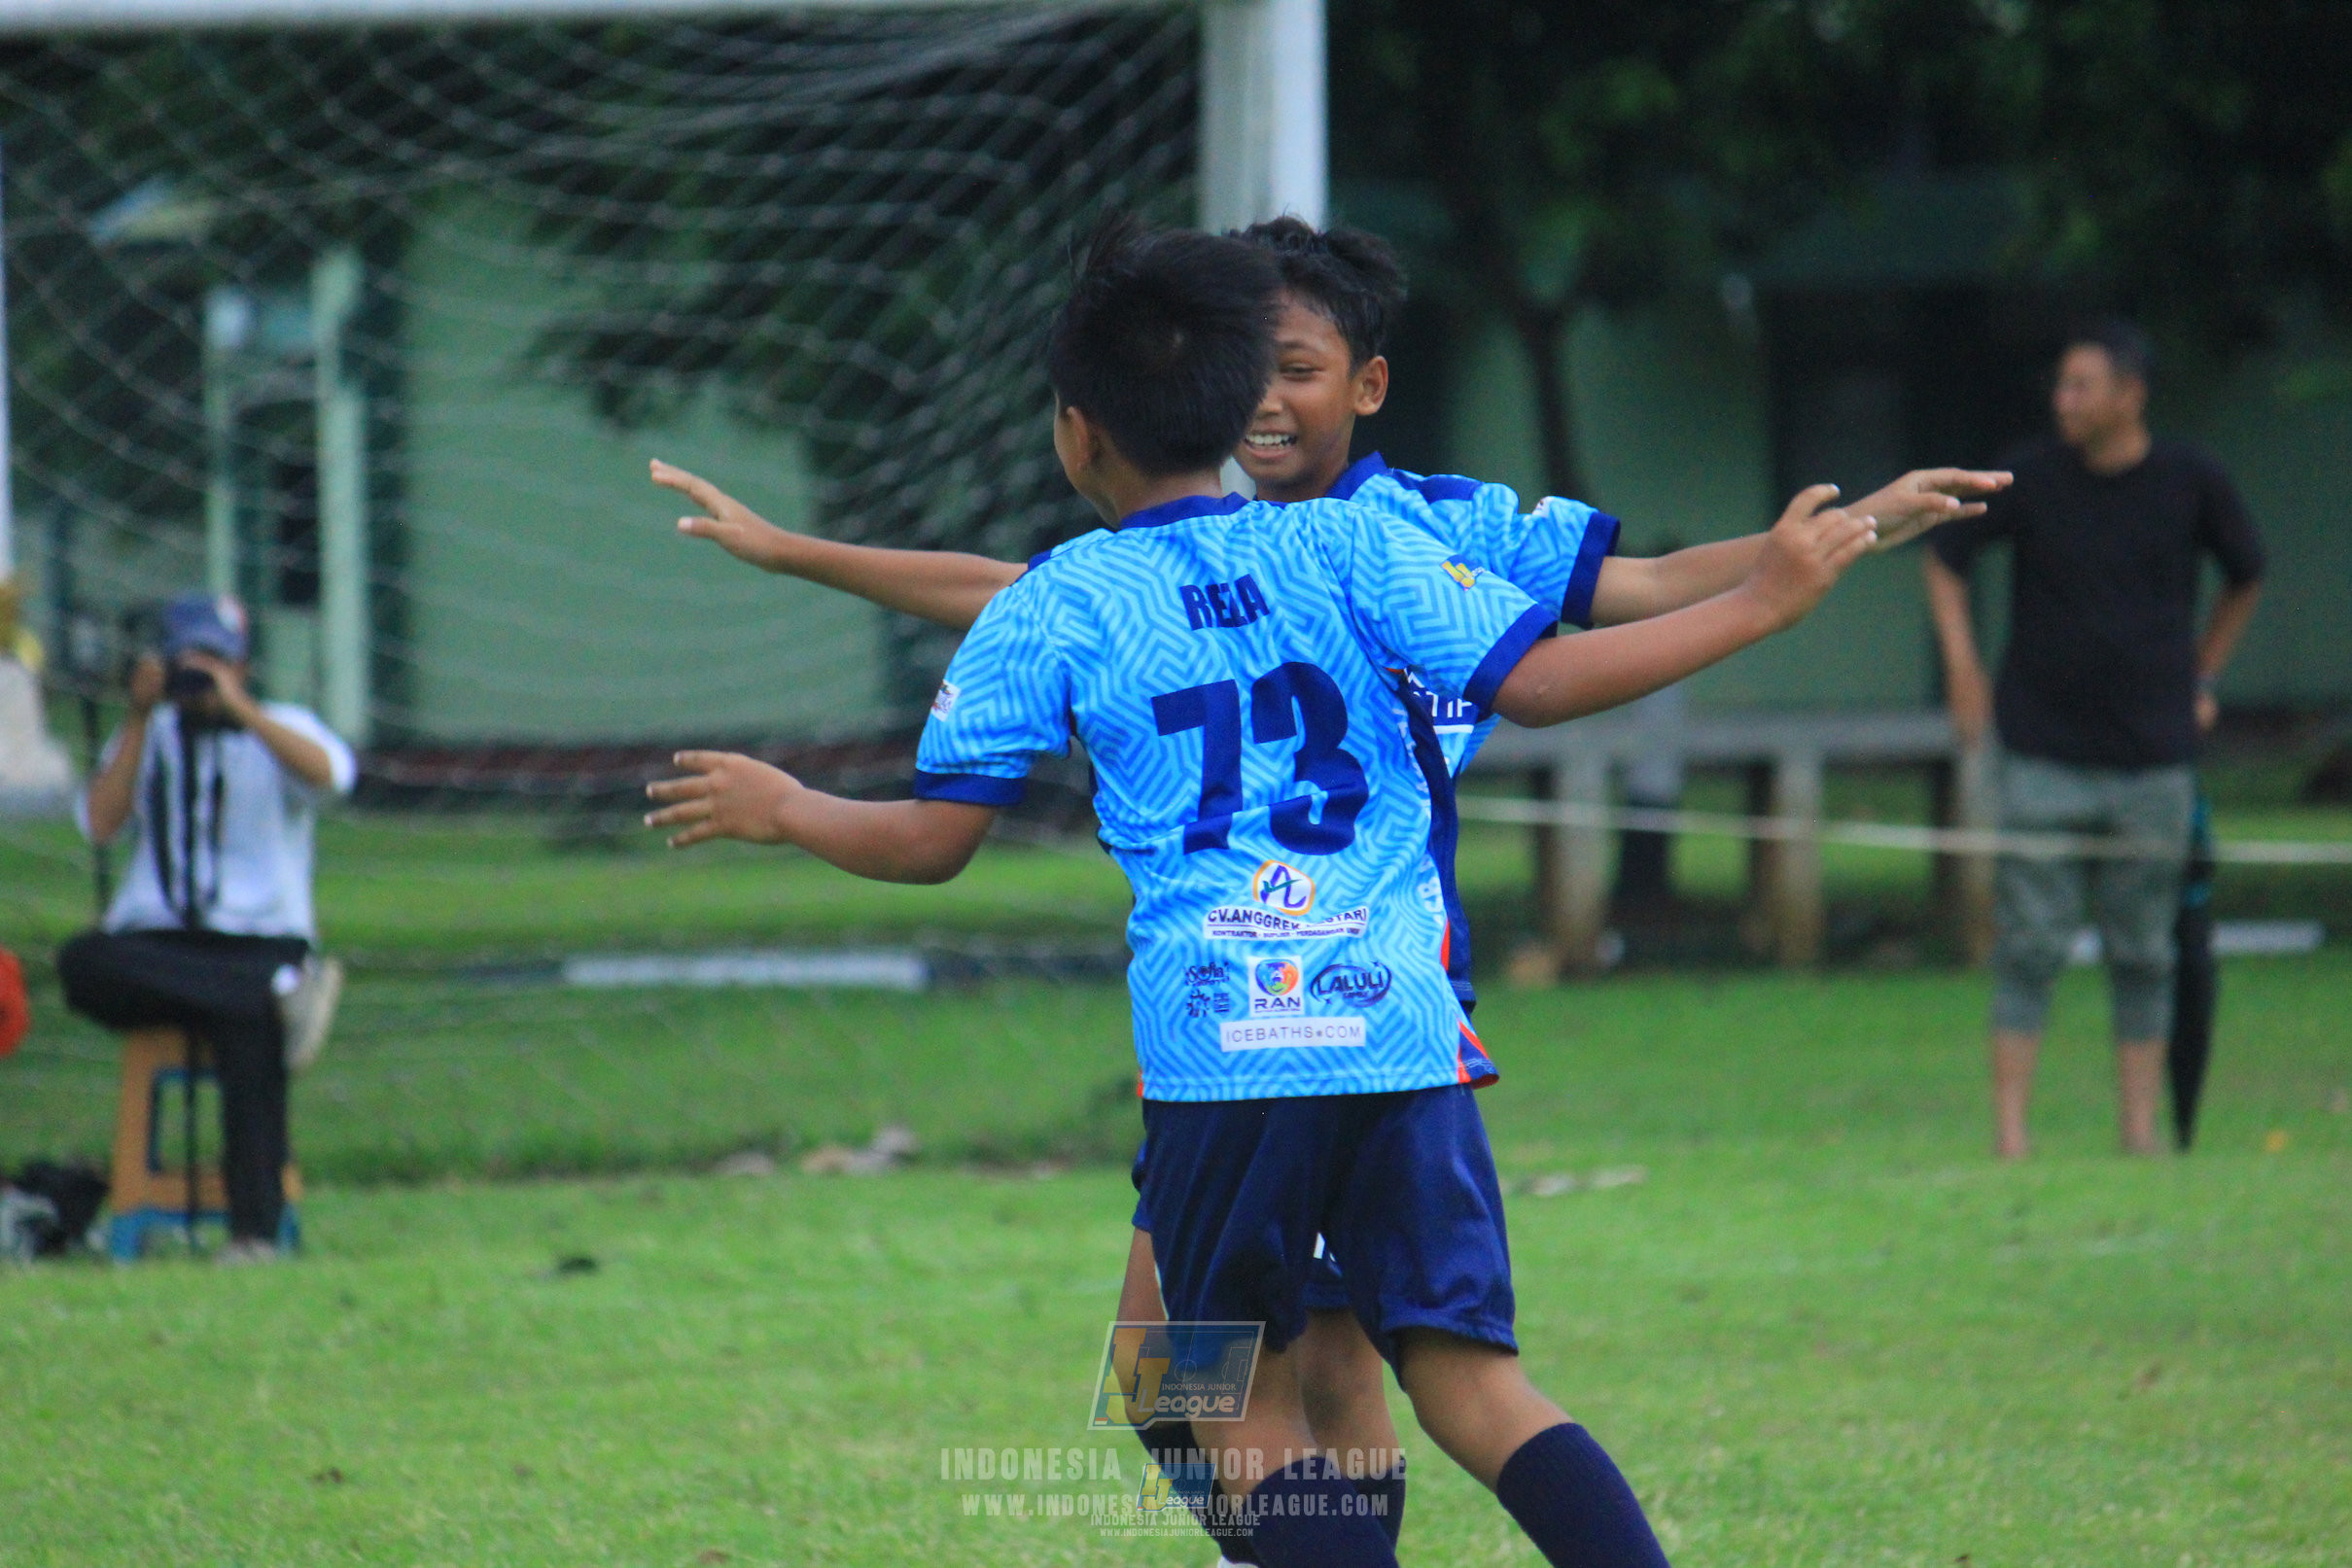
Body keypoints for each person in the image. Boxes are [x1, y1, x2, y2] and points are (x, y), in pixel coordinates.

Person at [651, 217, 2006, 1565]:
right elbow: (1538, 681)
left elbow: (1624, 593)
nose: (1272, 397)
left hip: (1234, 1041)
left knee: (1243, 1389)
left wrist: (784, 807)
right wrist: (800, 552)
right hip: (1390, 1021)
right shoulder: (1343, 556)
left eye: (1297, 363)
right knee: (1347, 1379)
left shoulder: (1308, 543)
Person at [1925, 320, 2264, 1160]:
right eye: (2061, 385)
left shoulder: (2191, 480)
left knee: (2144, 949)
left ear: (2129, 394)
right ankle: (2010, 1137)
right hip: (2040, 748)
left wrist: (2203, 678)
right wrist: (1964, 670)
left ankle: (2138, 1131)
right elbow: (1945, 555)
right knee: (2029, 945)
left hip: (2153, 756)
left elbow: (2246, 571)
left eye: (2082, 385)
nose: (2063, 400)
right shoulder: (2032, 477)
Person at [56, 592, 353, 1261]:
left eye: (215, 662)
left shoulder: (281, 724)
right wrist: (138, 715)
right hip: (162, 945)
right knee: (83, 960)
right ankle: (280, 998)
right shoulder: (148, 733)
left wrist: (240, 712)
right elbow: (101, 824)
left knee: (245, 1025)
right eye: (187, 661)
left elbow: (333, 777)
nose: (200, 676)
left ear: (242, 666)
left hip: (258, 939)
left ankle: (254, 1234)